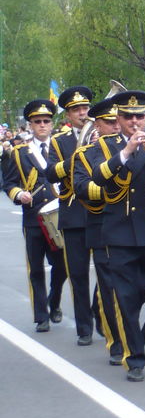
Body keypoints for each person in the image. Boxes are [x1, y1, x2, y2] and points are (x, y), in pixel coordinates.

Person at [91, 91, 145, 381]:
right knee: (126, 299)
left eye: (139, 116)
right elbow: (98, 178)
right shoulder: (104, 146)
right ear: (119, 119)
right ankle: (135, 357)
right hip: (121, 231)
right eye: (128, 116)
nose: (134, 121)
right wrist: (126, 152)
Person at [3, 100, 66, 332]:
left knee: (62, 266)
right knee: (36, 268)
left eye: (46, 121)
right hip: (33, 218)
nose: (42, 125)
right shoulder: (19, 153)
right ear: (30, 124)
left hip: (59, 216)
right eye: (37, 121)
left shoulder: (61, 148)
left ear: (52, 123)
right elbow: (9, 183)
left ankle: (55, 300)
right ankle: (41, 316)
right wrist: (19, 194)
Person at [72, 98, 124, 364]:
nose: (116, 126)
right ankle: (115, 341)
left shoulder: (136, 146)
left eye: (119, 120)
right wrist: (111, 192)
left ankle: (137, 333)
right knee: (109, 286)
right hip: (101, 223)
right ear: (98, 125)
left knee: (143, 286)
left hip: (134, 227)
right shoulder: (87, 153)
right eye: (109, 122)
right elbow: (81, 187)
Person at [46, 86, 95, 345]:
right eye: (76, 109)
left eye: (85, 108)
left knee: (109, 270)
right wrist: (76, 158)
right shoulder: (59, 141)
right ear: (68, 114)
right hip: (74, 213)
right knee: (77, 274)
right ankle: (84, 328)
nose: (82, 113)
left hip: (101, 211)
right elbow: (51, 173)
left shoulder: (101, 135)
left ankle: (100, 311)